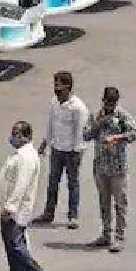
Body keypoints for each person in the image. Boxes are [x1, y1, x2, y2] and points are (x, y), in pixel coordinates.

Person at [84, 86, 136, 253]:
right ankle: (105, 234)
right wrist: (98, 125)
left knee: (120, 203)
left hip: (118, 167)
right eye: (107, 102)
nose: (109, 106)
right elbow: (86, 135)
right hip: (101, 166)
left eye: (112, 103)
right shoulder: (96, 115)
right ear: (103, 100)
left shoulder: (122, 116)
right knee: (104, 202)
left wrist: (118, 136)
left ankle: (119, 236)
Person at [35, 71, 88, 229]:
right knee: (52, 183)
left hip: (72, 151)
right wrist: (45, 142)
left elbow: (80, 132)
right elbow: (50, 124)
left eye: (59, 88)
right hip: (57, 149)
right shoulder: (54, 103)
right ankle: (48, 213)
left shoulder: (78, 108)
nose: (56, 91)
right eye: (55, 88)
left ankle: (73, 216)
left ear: (68, 87)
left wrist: (78, 152)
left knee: (72, 184)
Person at [0, 121, 45, 271]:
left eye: (17, 134)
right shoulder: (21, 154)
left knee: (16, 247)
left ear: (27, 137)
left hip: (15, 212)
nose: (13, 137)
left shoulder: (26, 157)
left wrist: (10, 207)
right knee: (12, 251)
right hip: (10, 210)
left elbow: (21, 185)